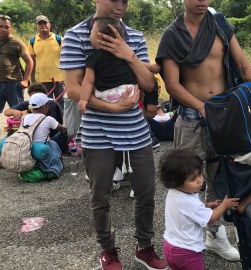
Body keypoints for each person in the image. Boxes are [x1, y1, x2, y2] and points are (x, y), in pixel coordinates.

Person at [59, 1, 166, 269]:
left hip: (135, 127)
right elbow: (74, 89)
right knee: (100, 195)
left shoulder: (135, 36)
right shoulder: (75, 35)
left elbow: (148, 83)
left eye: (126, 1)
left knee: (146, 190)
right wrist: (112, 107)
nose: (121, 6)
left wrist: (128, 54)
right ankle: (108, 250)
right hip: (97, 129)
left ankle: (145, 246)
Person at [156, 0, 251, 261]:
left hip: (224, 116)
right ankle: (182, 238)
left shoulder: (221, 24)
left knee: (219, 175)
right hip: (192, 118)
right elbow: (172, 84)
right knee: (185, 178)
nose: (202, 1)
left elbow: (244, 64)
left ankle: (215, 234)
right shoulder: (172, 35)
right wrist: (202, 108)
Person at [160, 149, 239, 270]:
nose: (199, 180)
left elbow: (187, 210)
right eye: (193, 179)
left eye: (200, 174)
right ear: (176, 182)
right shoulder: (190, 202)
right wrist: (224, 205)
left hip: (169, 246)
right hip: (187, 253)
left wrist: (206, 205)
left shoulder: (174, 192)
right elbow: (211, 219)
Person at [78, 17, 160, 114]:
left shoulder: (92, 58)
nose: (89, 36)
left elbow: (89, 81)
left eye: (91, 33)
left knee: (94, 87)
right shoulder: (123, 53)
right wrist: (150, 67)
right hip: (130, 92)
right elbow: (139, 64)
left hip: (106, 95)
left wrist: (83, 99)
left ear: (99, 38)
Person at [0, 15, 34, 132]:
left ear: (11, 28)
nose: (4, 29)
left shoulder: (17, 42)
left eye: (7, 27)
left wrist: (25, 80)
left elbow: (29, 62)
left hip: (14, 83)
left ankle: (21, 136)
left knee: (19, 112)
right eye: (1, 26)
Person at [27, 15, 65, 108]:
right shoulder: (32, 41)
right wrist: (32, 80)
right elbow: (32, 62)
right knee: (46, 105)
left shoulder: (59, 39)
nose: (42, 25)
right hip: (43, 80)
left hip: (60, 79)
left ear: (50, 25)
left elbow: (66, 59)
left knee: (61, 104)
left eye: (45, 23)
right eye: (40, 24)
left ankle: (61, 122)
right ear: (36, 26)